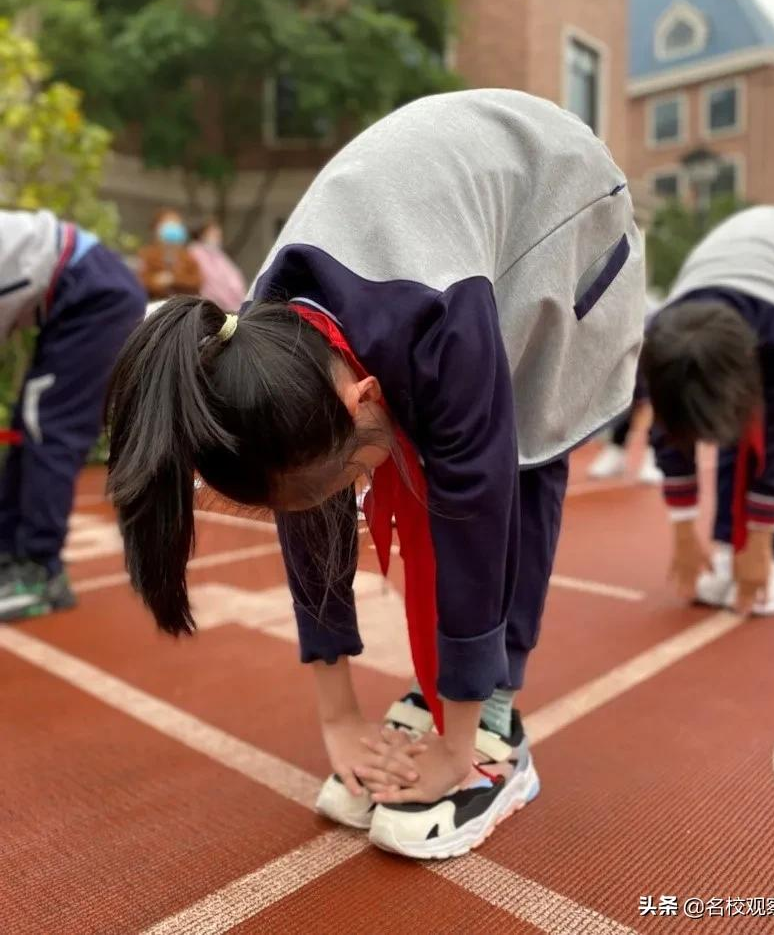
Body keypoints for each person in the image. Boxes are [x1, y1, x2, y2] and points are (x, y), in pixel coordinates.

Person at [105, 89, 645, 859]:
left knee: (520, 451)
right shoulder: (263, 352)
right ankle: (457, 690)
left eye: (348, 476)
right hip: (438, 220)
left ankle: (496, 707)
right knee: (381, 462)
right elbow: (305, 507)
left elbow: (475, 506)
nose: (344, 500)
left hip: (562, 205)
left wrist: (456, 745)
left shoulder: (439, 331)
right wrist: (338, 717)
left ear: (363, 395)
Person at [641, 205, 774, 617]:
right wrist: (684, 533)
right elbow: (668, 431)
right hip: (729, 274)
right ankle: (730, 548)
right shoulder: (660, 339)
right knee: (726, 422)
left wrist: (764, 540)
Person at [0, 208, 146, 620]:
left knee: (49, 428)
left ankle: (40, 572)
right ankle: (11, 556)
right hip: (74, 290)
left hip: (95, 294)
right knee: (30, 424)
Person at [588, 292, 663, 484]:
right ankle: (617, 450)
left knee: (648, 404)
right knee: (624, 400)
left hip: (651, 347)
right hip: (626, 349)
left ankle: (651, 457)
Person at [137, 208, 201, 300]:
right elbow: (140, 282)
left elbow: (197, 282)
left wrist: (174, 279)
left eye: (176, 224)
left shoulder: (187, 256)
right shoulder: (147, 254)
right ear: (157, 228)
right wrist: (156, 282)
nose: (173, 227)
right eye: (168, 223)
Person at [188, 219, 247, 312]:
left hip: (233, 306)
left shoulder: (218, 253)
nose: (217, 234)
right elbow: (211, 281)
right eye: (212, 231)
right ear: (202, 234)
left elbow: (234, 277)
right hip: (215, 307)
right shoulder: (195, 252)